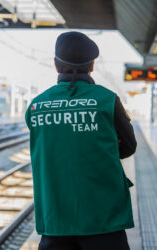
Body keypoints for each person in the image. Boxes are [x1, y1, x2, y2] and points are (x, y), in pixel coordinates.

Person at [25, 31, 137, 250]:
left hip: (55, 221)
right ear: (92, 65)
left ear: (56, 65)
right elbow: (129, 146)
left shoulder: (36, 106)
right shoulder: (107, 100)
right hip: (104, 220)